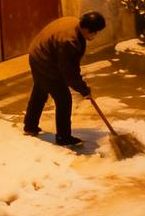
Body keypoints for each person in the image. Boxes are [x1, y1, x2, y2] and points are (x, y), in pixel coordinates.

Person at [23, 11, 107, 147]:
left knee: (40, 90)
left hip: (37, 53)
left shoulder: (74, 22)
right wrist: (84, 89)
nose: (95, 36)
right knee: (63, 99)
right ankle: (63, 137)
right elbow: (69, 73)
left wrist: (81, 86)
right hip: (44, 60)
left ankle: (30, 126)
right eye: (95, 32)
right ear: (86, 29)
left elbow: (69, 67)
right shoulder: (69, 41)